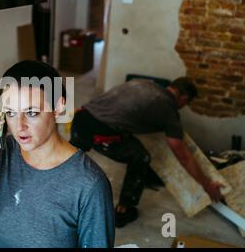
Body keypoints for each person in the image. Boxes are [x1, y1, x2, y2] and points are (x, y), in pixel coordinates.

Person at [0, 60, 114, 248]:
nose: (19, 127)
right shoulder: (0, 155)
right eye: (11, 113)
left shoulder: (89, 184)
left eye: (31, 112)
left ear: (58, 107)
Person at [70, 77, 225, 228]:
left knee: (70, 161)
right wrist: (206, 184)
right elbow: (183, 156)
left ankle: (57, 191)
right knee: (141, 157)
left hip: (80, 118)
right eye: (187, 103)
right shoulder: (168, 110)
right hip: (97, 134)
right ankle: (124, 209)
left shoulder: (143, 83)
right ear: (184, 98)